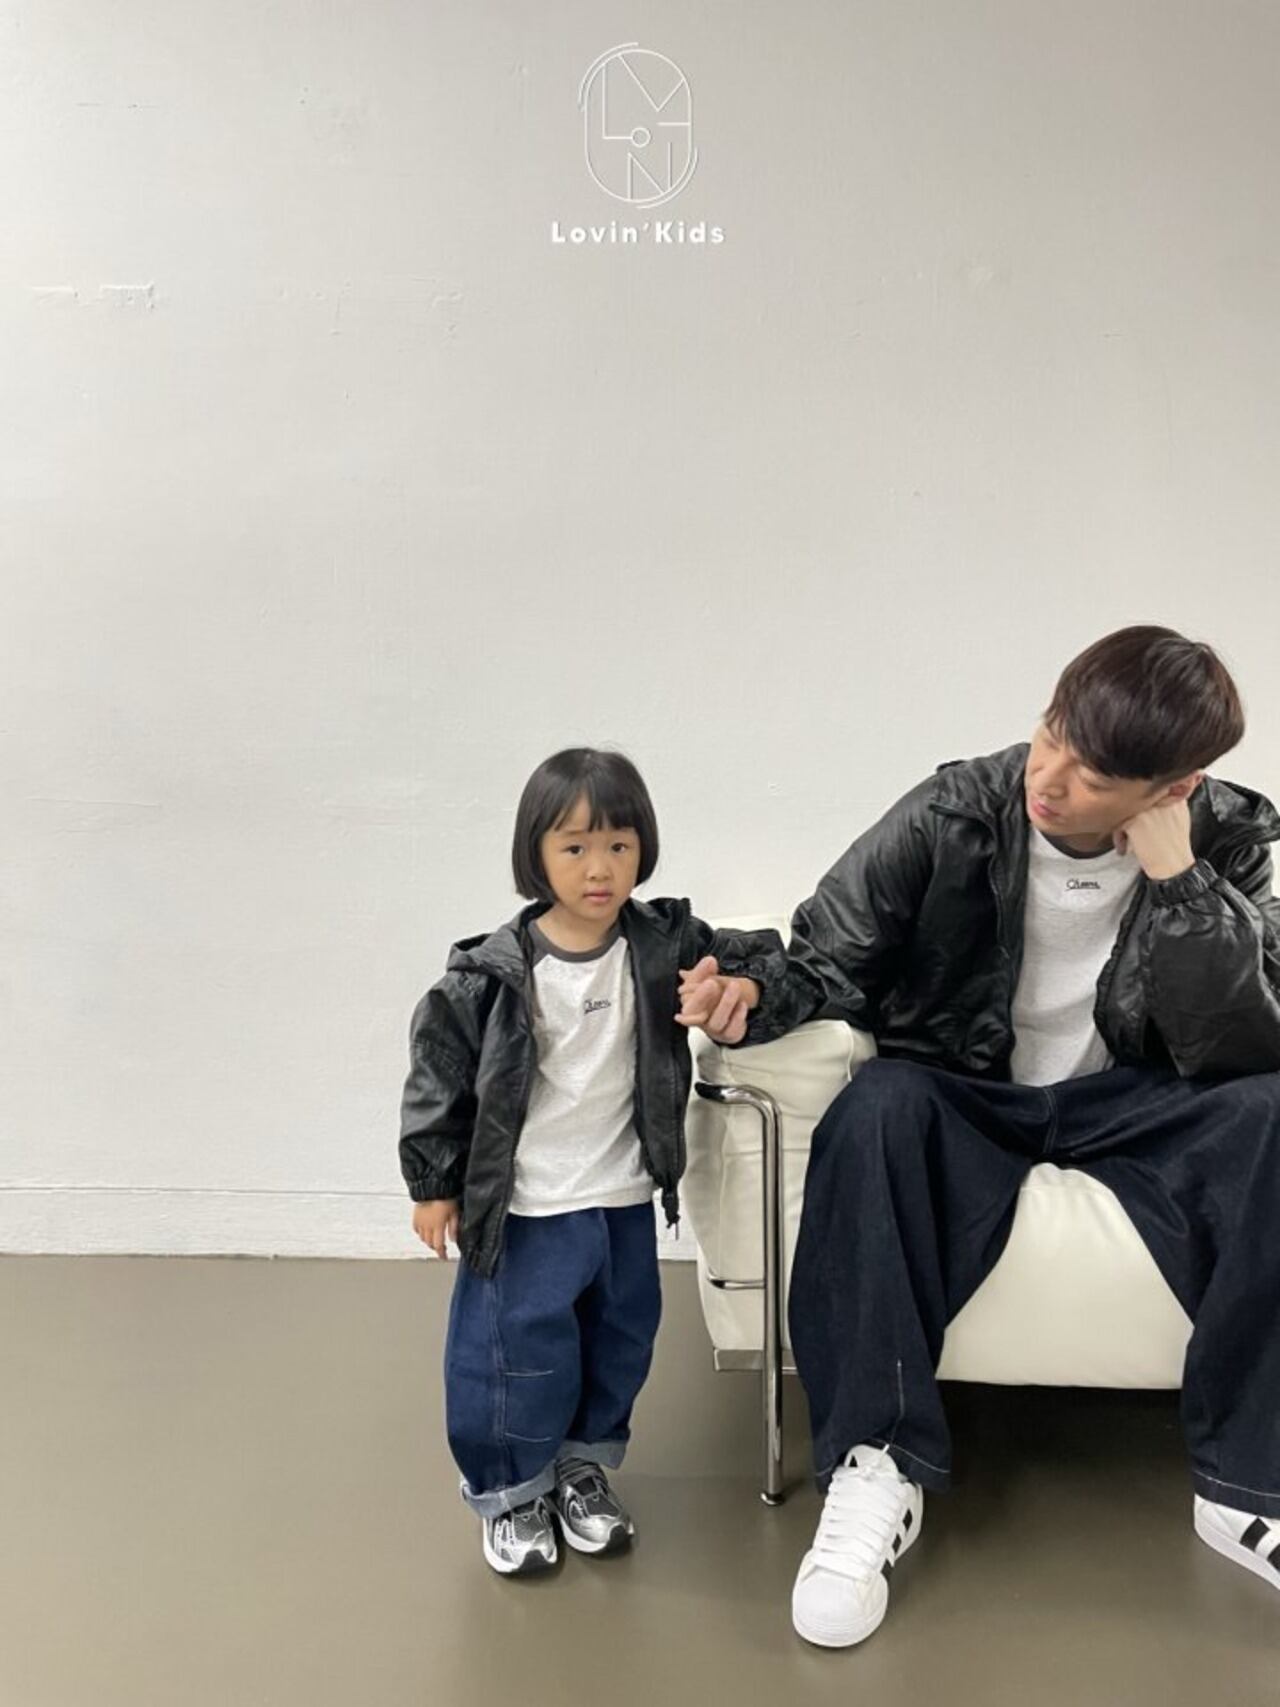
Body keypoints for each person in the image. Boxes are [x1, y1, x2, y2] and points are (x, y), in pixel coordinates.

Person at [679, 626, 1280, 1646]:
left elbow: (1239, 1047)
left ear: (1172, 788)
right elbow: (829, 957)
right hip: (969, 1091)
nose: (1048, 778)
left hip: (1133, 1099)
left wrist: (1179, 881)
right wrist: (749, 992)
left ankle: (1248, 1486)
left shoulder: (1223, 840)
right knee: (876, 1107)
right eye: (1050, 734)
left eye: (1093, 776)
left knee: (1270, 1114)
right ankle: (876, 1464)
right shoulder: (953, 811)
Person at [399, 747, 784, 1577]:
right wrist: (434, 1183)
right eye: (574, 847)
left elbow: (765, 954)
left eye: (618, 844)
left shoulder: (663, 942)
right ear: (535, 854)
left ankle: (581, 1466)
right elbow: (439, 1072)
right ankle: (512, 1490)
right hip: (528, 1203)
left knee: (619, 1338)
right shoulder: (494, 972)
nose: (599, 867)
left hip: (622, 1195)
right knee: (512, 1354)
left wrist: (732, 989)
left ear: (643, 847)